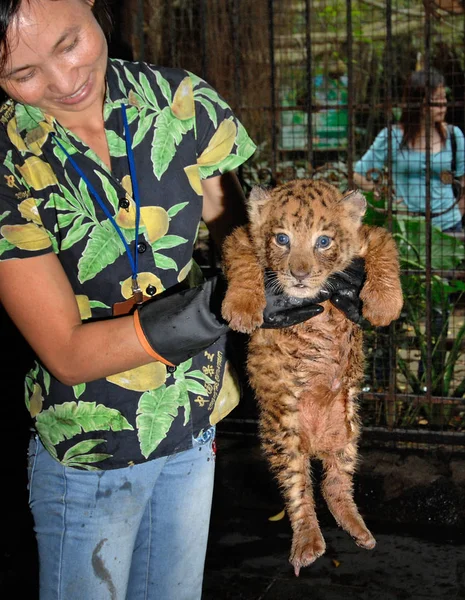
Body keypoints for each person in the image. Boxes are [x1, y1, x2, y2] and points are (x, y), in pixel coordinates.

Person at [0, 1, 366, 598]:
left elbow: (240, 238)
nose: (64, 82)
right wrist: (210, 309)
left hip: (195, 426)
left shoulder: (183, 103)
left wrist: (325, 266)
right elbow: (65, 352)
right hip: (91, 447)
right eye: (23, 74)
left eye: (69, 43)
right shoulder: (9, 160)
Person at [354, 69, 465, 233]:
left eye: (444, 98)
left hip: (448, 225)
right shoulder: (392, 136)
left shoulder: (454, 135)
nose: (443, 105)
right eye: (435, 100)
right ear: (417, 103)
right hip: (407, 227)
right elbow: (357, 174)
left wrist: (459, 214)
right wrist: (384, 197)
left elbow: (463, 180)